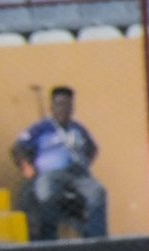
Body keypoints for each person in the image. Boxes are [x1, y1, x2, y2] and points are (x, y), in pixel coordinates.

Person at [13, 86, 107, 242]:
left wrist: (85, 163)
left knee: (97, 193)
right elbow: (18, 147)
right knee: (46, 195)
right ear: (52, 107)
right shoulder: (41, 128)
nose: (64, 109)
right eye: (59, 104)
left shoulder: (78, 128)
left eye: (68, 105)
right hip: (50, 174)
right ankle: (48, 240)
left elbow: (92, 148)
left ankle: (96, 240)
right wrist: (27, 167)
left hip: (77, 174)